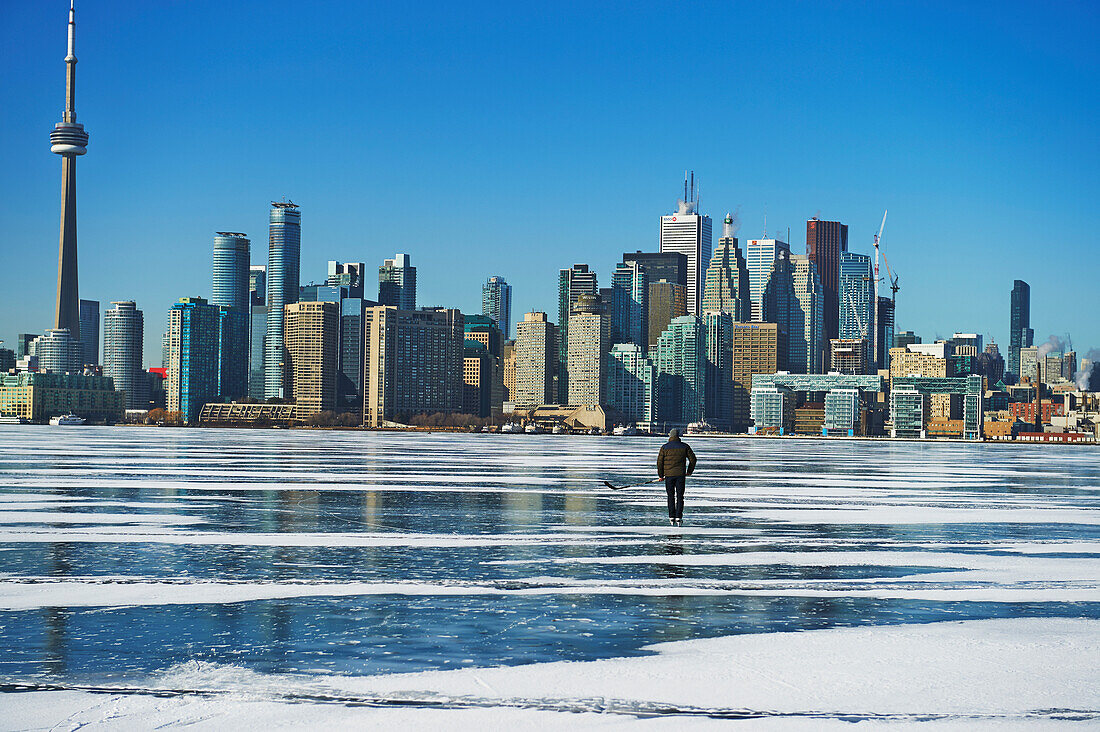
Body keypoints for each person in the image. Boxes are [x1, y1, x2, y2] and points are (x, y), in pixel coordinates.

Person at [657, 429, 696, 526]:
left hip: (669, 476)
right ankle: (679, 516)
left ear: (670, 436)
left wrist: (661, 475)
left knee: (670, 496)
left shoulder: (664, 447)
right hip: (680, 475)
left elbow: (659, 462)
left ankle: (671, 516)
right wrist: (689, 471)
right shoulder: (685, 446)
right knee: (680, 496)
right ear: (678, 436)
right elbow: (693, 459)